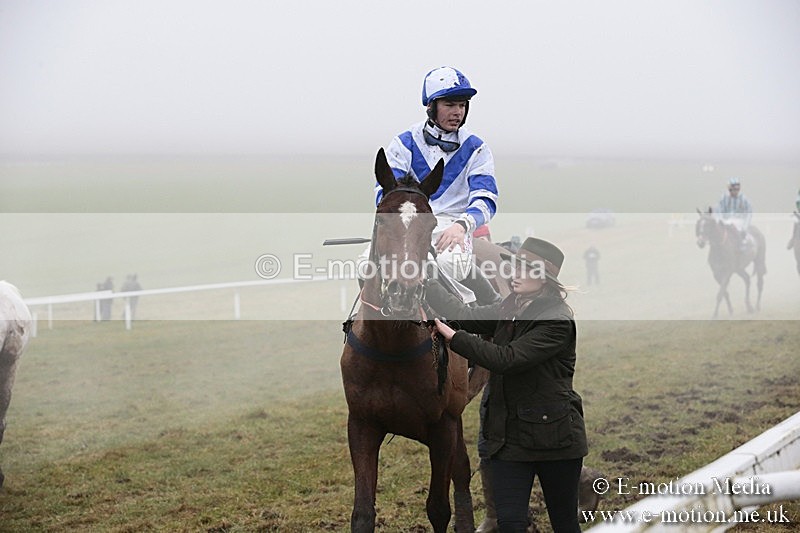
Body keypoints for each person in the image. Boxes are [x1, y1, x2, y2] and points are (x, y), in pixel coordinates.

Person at [426, 237, 588, 533]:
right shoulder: (508, 307)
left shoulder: (556, 320)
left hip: (555, 440)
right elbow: (463, 315)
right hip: (507, 439)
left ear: (544, 280)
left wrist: (454, 338)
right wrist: (427, 278)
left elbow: (507, 358)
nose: (515, 274)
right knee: (510, 525)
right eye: (514, 267)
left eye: (525, 270)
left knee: (564, 524)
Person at [368, 66, 500, 303]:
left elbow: (486, 198)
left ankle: (466, 326)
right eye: (450, 105)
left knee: (450, 265)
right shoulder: (404, 143)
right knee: (362, 267)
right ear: (431, 107)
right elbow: (385, 192)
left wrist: (462, 226)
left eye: (462, 105)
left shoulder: (477, 148)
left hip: (452, 228)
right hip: (408, 224)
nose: (457, 112)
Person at [716, 178, 753, 250]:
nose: (735, 191)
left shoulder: (743, 199)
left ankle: (742, 244)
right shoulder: (724, 198)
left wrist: (745, 225)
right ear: (729, 188)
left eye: (737, 189)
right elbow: (718, 211)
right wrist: (720, 220)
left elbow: (749, 212)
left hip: (739, 221)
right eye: (733, 189)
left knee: (739, 230)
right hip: (726, 221)